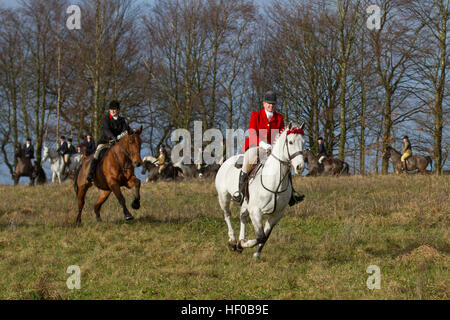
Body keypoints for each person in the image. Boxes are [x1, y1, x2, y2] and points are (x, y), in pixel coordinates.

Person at [231, 90, 305, 206]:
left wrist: (275, 148)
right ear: (264, 104)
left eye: (273, 104)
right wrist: (263, 144)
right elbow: (252, 133)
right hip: (255, 146)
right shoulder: (256, 115)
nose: (271, 106)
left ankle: (291, 195)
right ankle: (239, 192)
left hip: (272, 150)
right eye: (268, 104)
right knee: (247, 160)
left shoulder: (279, 118)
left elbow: (281, 137)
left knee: (286, 165)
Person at [87, 100, 130, 183]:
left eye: (114, 109)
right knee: (97, 153)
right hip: (106, 142)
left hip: (117, 143)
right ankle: (90, 174)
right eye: (111, 109)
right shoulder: (106, 119)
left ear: (118, 110)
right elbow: (107, 130)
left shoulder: (122, 120)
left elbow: (125, 130)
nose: (112, 111)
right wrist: (113, 137)